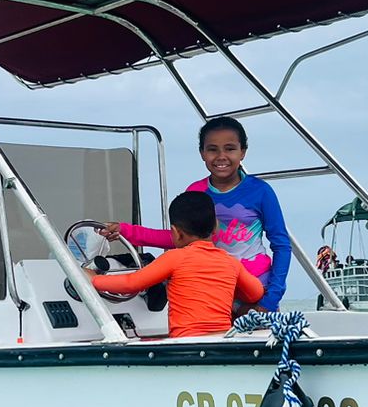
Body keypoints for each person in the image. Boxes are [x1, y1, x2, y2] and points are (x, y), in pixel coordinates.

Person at [99, 116, 291, 311]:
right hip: (212, 290)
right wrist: (126, 231)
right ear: (202, 153)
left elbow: (282, 245)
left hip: (257, 289)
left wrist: (270, 299)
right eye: (212, 149)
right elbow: (177, 238)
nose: (221, 156)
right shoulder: (196, 192)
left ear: (243, 152)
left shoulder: (261, 192)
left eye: (230, 148)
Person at [89, 191, 263, 337]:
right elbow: (255, 292)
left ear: (175, 233)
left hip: (186, 344)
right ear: (216, 227)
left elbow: (130, 283)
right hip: (222, 339)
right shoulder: (230, 262)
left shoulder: (174, 258)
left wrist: (93, 280)